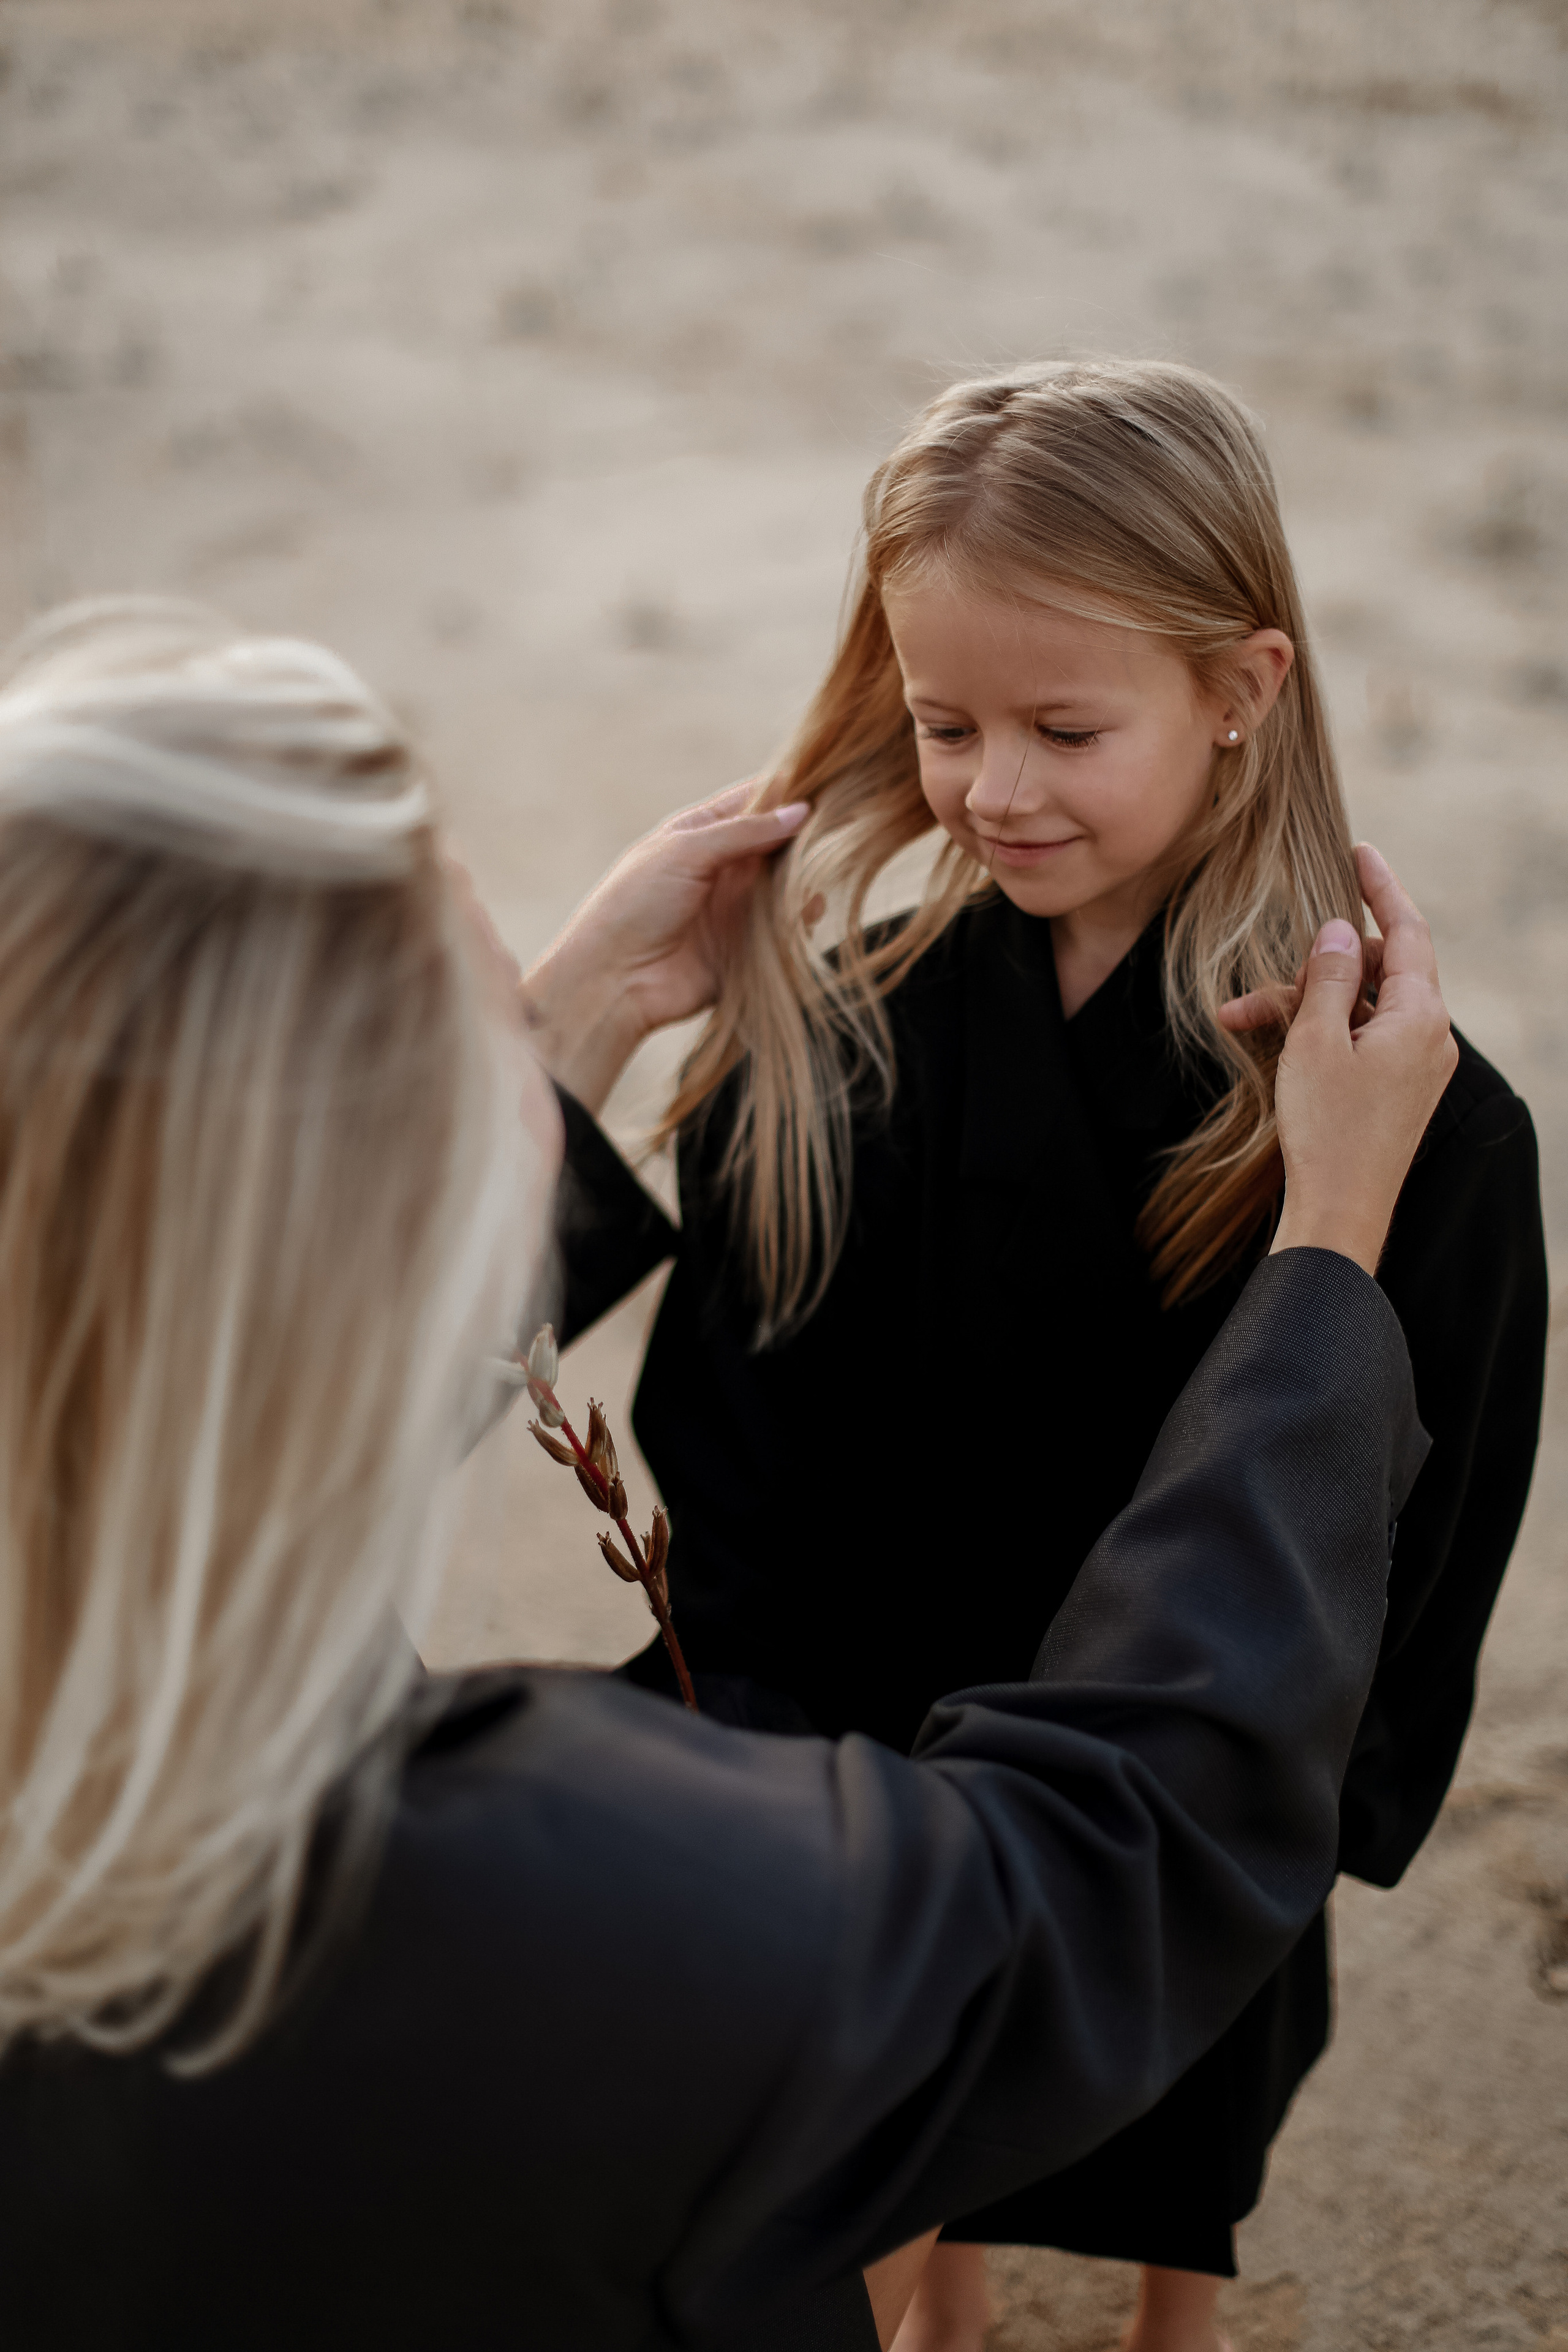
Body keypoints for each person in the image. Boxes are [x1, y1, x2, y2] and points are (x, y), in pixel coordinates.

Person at [0, 597, 1458, 2352]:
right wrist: (1329, 1254)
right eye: (488, 1048)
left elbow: (145, 1406)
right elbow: (1107, 1876)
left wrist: (567, 1020)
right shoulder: (579, 1909)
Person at [522, 360, 1549, 2351]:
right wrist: (755, 1737)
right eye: (946, 723)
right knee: (896, 2094)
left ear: (1243, 689)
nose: (994, 789)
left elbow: (1441, 1486)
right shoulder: (833, 1050)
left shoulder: (1409, 1118)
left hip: (1187, 1733)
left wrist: (1326, 1779)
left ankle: (1178, 2307)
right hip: (871, 1728)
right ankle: (943, 2280)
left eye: (1068, 728)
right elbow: (734, 1453)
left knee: (1189, 2074)